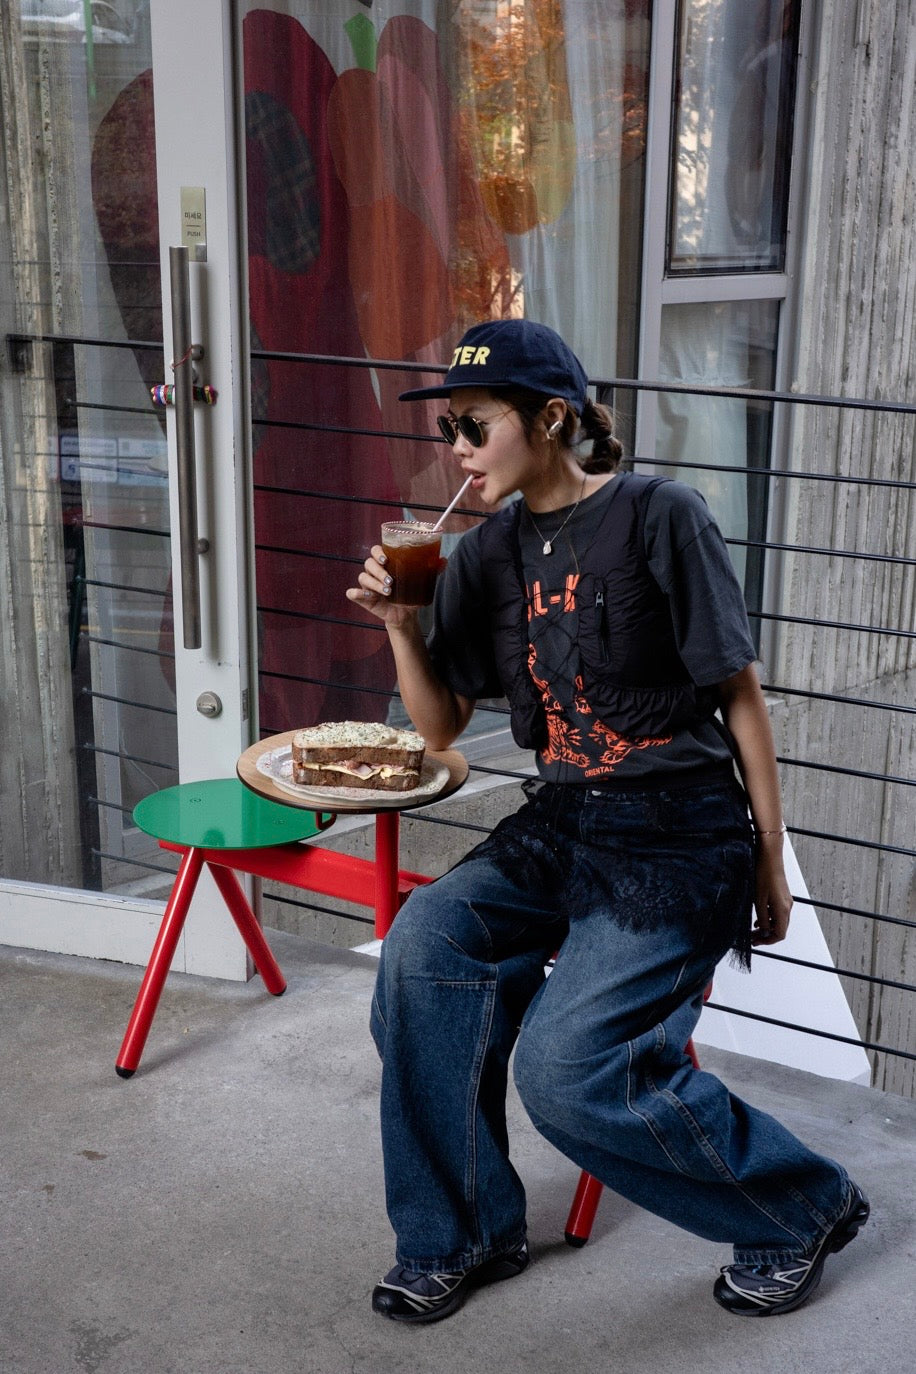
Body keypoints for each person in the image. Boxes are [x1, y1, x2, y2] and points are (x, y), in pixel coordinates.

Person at [345, 318, 868, 1325]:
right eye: (449, 428)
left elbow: (739, 695)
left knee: (565, 1068)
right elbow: (441, 726)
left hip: (680, 832)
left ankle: (799, 1206)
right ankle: (462, 1232)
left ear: (551, 419)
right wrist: (401, 627)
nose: (456, 448)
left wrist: (768, 859)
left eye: (474, 425)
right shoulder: (482, 552)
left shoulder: (660, 515)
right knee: (423, 950)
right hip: (565, 822)